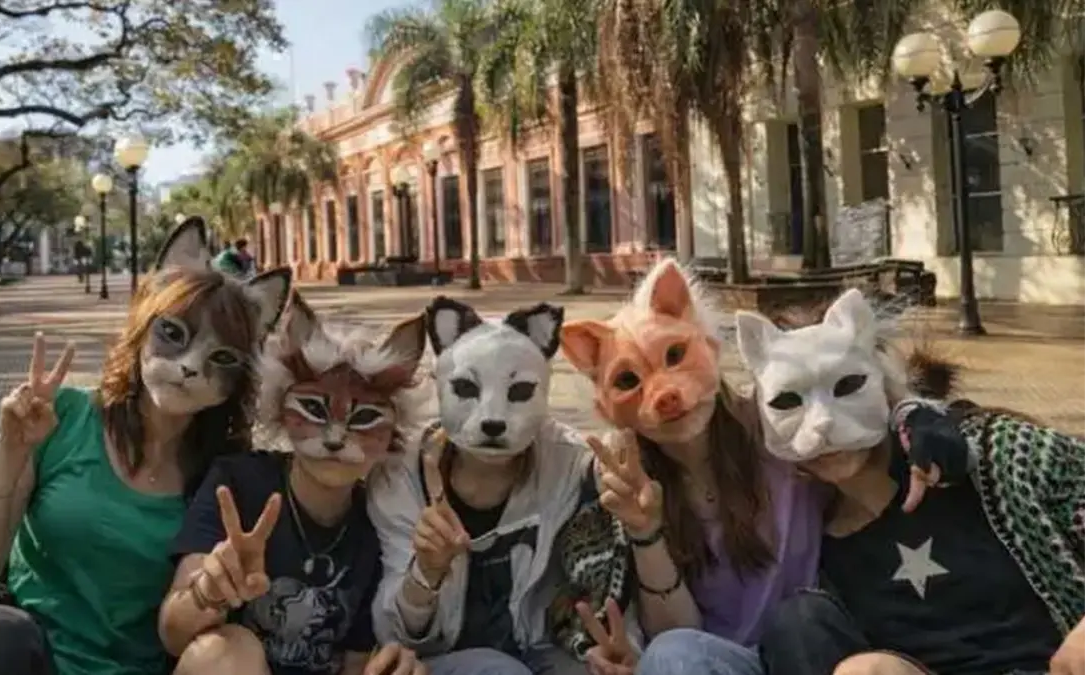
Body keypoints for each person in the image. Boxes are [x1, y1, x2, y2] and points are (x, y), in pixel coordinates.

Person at [0, 217, 291, 675]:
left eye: (221, 357)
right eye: (173, 333)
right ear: (142, 326)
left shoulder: (224, 474)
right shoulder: (59, 418)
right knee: (3, 637)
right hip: (20, 658)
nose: (188, 365)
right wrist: (9, 452)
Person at [554, 261, 951, 675]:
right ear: (604, 406)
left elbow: (859, 404)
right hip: (723, 663)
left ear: (709, 345)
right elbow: (674, 638)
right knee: (672, 653)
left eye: (675, 356)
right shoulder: (625, 482)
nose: (664, 393)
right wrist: (645, 531)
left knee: (796, 621)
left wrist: (914, 416)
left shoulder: (779, 422)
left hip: (814, 646)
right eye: (627, 380)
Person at [738, 288, 1085, 675]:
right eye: (789, 402)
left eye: (846, 387)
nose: (822, 423)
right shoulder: (814, 546)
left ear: (885, 384)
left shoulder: (996, 454)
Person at [160, 288, 429, 675]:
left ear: (393, 435)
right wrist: (211, 589)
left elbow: (355, 659)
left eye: (365, 417)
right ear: (280, 411)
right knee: (224, 651)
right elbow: (173, 633)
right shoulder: (238, 483)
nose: (336, 437)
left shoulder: (377, 519)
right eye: (315, 409)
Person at [369, 297, 593, 675]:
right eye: (466, 390)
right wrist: (426, 572)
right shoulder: (399, 478)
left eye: (519, 393)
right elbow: (394, 634)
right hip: (441, 662)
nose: (492, 416)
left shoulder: (571, 464)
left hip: (539, 652)